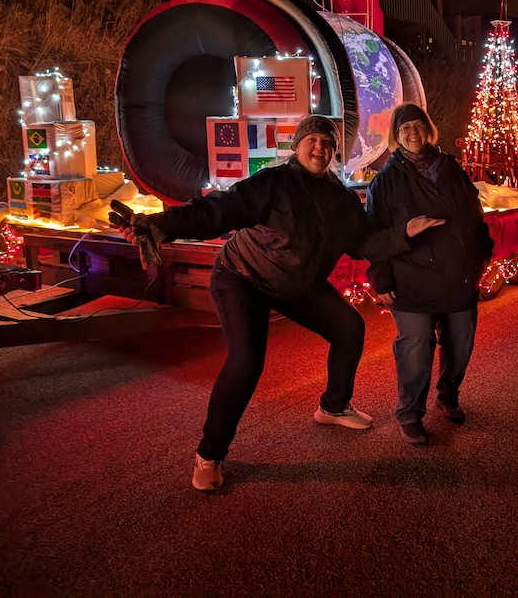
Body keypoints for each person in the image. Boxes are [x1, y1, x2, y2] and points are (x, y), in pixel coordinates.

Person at [115, 115, 444, 490]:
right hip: (243, 278)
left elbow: (366, 243)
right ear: (298, 145)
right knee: (246, 362)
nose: (319, 147)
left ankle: (333, 407)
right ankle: (210, 454)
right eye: (312, 140)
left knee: (349, 327)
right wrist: (162, 224)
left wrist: (405, 232)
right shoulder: (274, 183)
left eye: (326, 141)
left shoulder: (341, 199)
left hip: (299, 284)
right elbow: (218, 209)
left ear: (334, 150)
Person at [365, 104, 495, 445]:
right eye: (405, 128)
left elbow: (476, 215)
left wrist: (482, 253)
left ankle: (448, 395)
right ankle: (410, 413)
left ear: (429, 130)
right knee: (416, 347)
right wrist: (381, 278)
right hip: (411, 280)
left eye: (419, 126)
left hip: (458, 275)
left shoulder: (451, 168)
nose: (413, 133)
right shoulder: (386, 181)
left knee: (460, 345)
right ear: (396, 136)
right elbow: (373, 236)